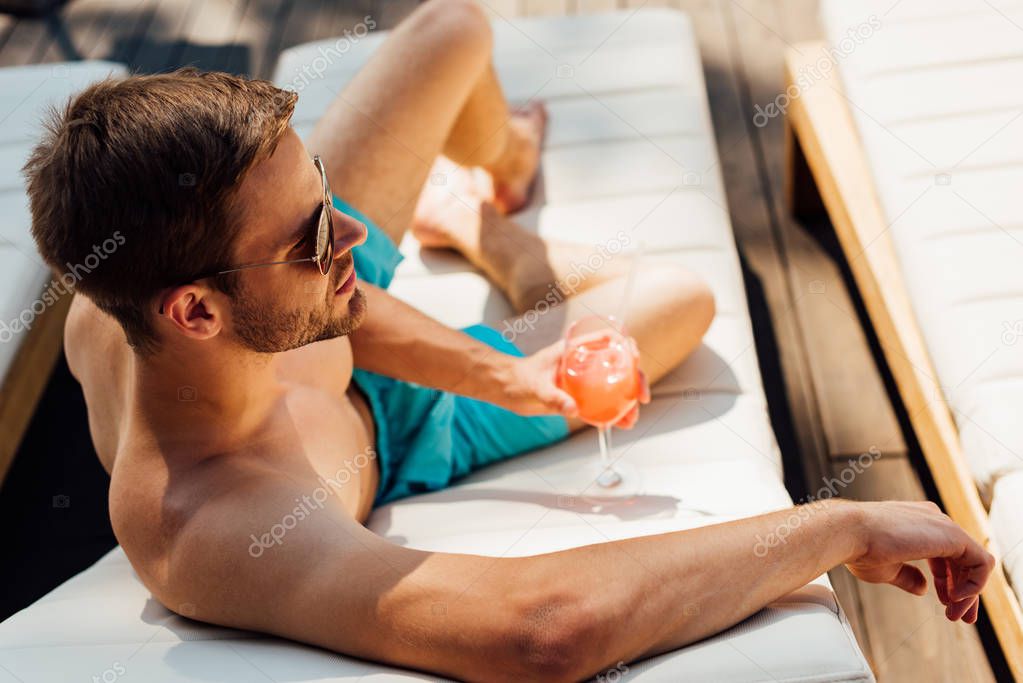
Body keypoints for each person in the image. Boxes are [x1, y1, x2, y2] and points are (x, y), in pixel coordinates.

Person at [24, 1, 993, 680]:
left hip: (344, 332)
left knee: (453, 28)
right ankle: (505, 242)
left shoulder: (223, 291)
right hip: (408, 431)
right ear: (193, 313)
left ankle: (501, 181)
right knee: (678, 300)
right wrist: (842, 525)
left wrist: (507, 366)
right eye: (317, 232)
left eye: (324, 192)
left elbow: (330, 305)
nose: (355, 233)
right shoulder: (219, 525)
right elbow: (545, 630)